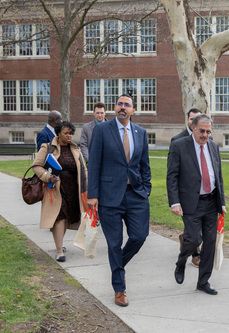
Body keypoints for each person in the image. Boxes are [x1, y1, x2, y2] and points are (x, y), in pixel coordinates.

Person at [87, 94, 152, 307]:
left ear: (133, 110)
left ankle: (118, 267)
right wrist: (92, 195)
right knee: (114, 243)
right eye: (120, 104)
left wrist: (146, 189)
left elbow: (144, 165)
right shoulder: (102, 130)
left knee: (140, 236)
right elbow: (94, 163)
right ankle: (119, 288)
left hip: (135, 194)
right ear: (115, 108)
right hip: (109, 197)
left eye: (127, 105)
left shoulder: (140, 133)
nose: (122, 107)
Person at [167, 114, 226, 295]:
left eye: (208, 131)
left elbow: (218, 176)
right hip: (191, 203)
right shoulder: (179, 146)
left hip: (211, 203)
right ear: (193, 127)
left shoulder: (214, 147)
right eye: (202, 130)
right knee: (192, 239)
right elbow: (172, 177)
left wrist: (221, 203)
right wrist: (175, 202)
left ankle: (203, 281)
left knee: (210, 243)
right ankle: (181, 262)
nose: (205, 135)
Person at [33, 121, 88, 262]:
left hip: (73, 189)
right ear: (58, 133)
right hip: (55, 189)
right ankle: (59, 251)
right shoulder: (47, 147)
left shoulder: (75, 149)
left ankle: (60, 244)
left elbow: (84, 169)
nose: (69, 136)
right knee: (59, 217)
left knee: (67, 218)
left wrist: (87, 187)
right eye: (66, 133)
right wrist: (47, 177)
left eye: (71, 133)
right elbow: (36, 166)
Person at [170, 108, 203, 267]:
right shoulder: (177, 141)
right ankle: (195, 255)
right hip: (186, 194)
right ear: (187, 120)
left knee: (200, 228)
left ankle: (185, 238)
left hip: (204, 194)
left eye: (197, 118)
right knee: (194, 229)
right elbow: (172, 172)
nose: (194, 122)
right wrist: (175, 200)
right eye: (192, 119)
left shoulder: (206, 137)